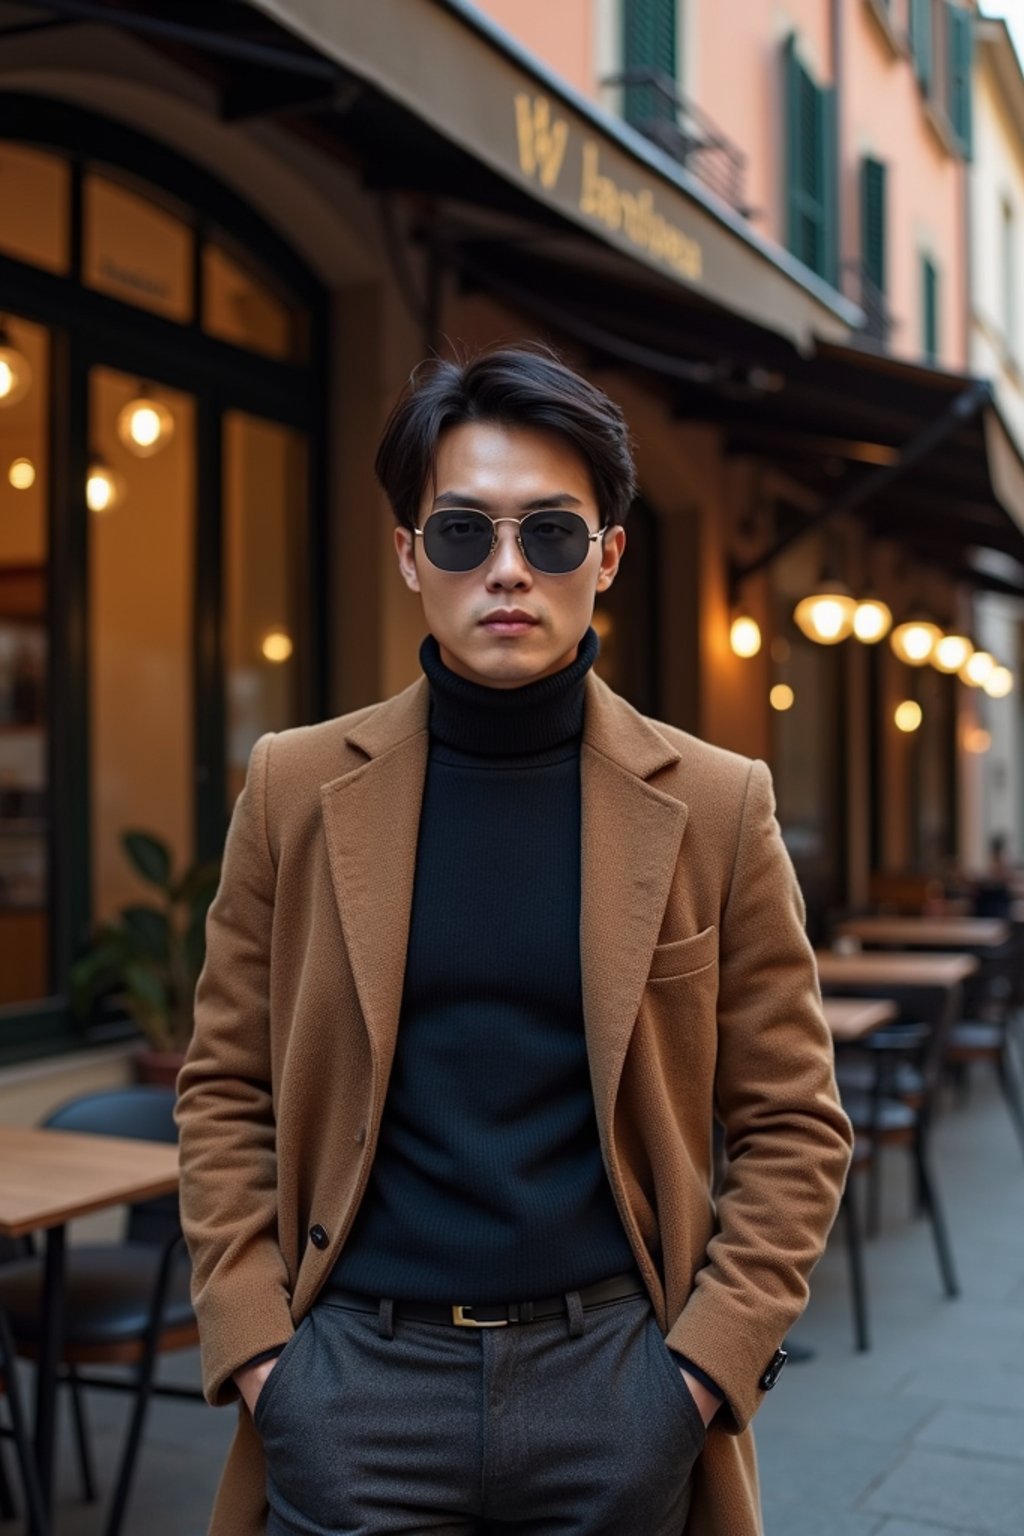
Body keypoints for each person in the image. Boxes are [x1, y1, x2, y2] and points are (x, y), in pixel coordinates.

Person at [176, 346, 853, 1536]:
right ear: (406, 556)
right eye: (460, 533)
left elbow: (794, 1124)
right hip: (351, 1388)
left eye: (549, 535)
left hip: (617, 1383)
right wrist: (261, 1356)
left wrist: (696, 1374)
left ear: (606, 557)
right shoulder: (292, 786)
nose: (506, 571)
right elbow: (226, 1084)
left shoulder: (713, 802)